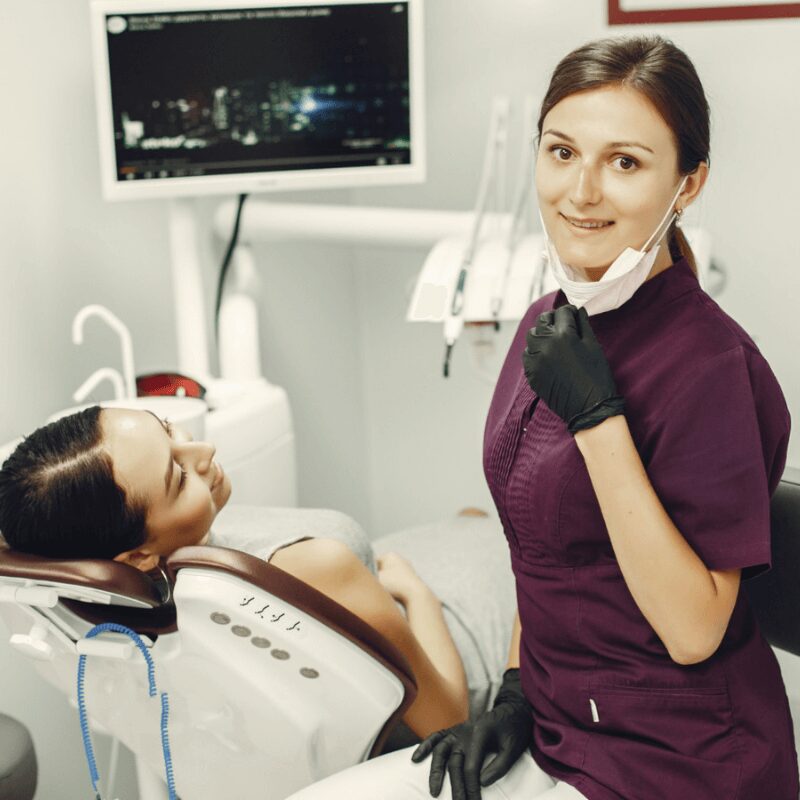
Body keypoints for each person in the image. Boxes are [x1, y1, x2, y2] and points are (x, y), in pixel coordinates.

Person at [281, 34, 797, 800]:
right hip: (558, 731)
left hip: (678, 763)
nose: (581, 191)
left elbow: (694, 631)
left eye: (625, 162)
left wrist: (598, 421)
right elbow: (540, 544)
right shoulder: (548, 325)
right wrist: (518, 692)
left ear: (687, 185)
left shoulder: (711, 368)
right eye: (561, 153)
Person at [0, 404, 516, 739]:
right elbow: (449, 718)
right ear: (135, 556)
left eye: (167, 428)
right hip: (461, 644)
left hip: (392, 591)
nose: (203, 451)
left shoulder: (127, 592)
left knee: (469, 520)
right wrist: (417, 592)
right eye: (177, 477)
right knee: (508, 534)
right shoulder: (313, 566)